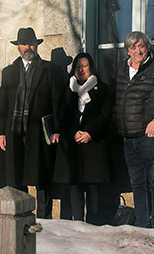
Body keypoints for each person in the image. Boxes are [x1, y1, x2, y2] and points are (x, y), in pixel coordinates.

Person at [0, 27, 64, 218]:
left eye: (31, 43)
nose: (28, 47)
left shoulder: (50, 70)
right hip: (14, 131)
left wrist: (57, 129)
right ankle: (21, 216)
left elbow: (56, 102)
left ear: (36, 46)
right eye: (24, 44)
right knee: (16, 175)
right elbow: (4, 104)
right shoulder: (9, 72)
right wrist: (1, 132)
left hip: (39, 131)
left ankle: (45, 218)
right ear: (18, 47)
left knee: (42, 175)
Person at [114, 31, 154, 229]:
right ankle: (142, 222)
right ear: (127, 50)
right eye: (133, 47)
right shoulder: (121, 69)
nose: (138, 50)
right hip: (128, 137)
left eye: (141, 46)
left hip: (149, 135)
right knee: (137, 182)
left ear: (147, 47)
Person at [53, 53, 112, 224]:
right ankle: (78, 222)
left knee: (93, 186)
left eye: (85, 66)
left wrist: (90, 133)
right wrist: (74, 133)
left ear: (91, 68)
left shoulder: (102, 89)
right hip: (73, 144)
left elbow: (105, 115)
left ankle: (93, 222)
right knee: (75, 185)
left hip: (94, 143)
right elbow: (62, 115)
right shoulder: (68, 89)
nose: (81, 70)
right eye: (78, 66)